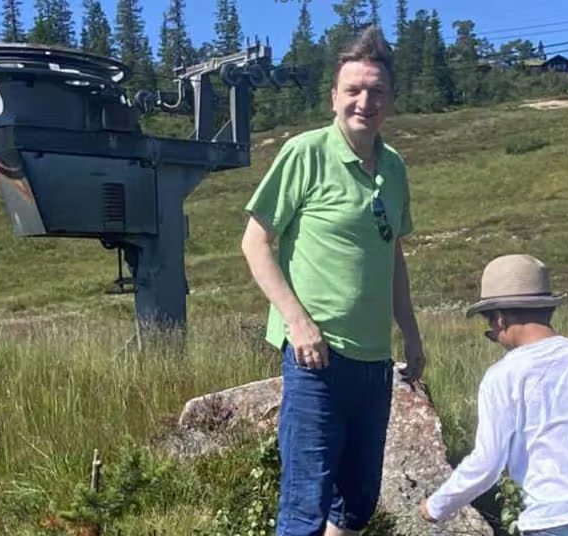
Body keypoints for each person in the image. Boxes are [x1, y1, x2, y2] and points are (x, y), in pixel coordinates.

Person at [240, 26, 425, 536]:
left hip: (374, 363)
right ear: (334, 97)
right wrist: (298, 324)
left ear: (391, 99)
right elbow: (255, 242)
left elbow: (392, 253)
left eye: (377, 91)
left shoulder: (394, 168)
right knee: (306, 505)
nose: (365, 101)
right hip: (315, 359)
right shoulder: (305, 153)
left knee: (355, 505)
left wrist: (410, 333)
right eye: (353, 90)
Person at [418, 254, 568, 536]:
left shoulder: (502, 376)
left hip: (553, 521)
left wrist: (436, 506)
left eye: (490, 330)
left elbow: (487, 463)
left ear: (499, 319)